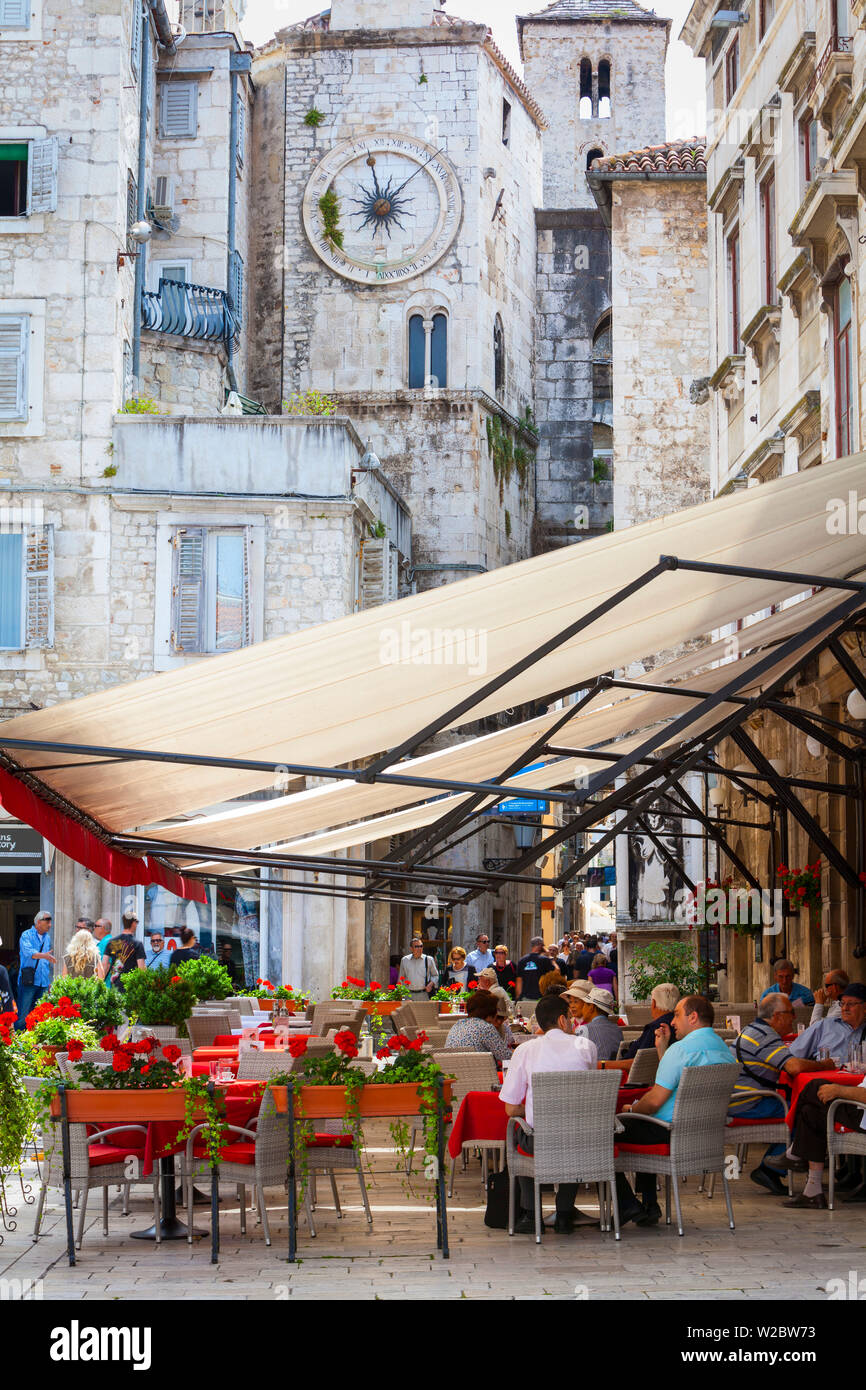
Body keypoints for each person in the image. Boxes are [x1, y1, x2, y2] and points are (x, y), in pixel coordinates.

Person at [615, 995, 734, 1226]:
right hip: (704, 1133)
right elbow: (675, 1080)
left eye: (677, 1015)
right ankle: (649, 1205)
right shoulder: (724, 1049)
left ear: (693, 1017)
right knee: (641, 1120)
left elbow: (655, 1101)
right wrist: (663, 1051)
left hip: (667, 1131)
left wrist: (632, 1107)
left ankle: (628, 1203)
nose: (672, 1022)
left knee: (605, 1131)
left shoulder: (681, 1050)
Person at [500, 993, 598, 1234]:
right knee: (570, 1131)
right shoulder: (587, 1046)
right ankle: (564, 1213)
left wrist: (534, 1108)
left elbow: (511, 1108)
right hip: (583, 1139)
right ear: (563, 1021)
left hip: (540, 1141)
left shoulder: (525, 1051)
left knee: (516, 1126)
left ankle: (531, 1214)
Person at [729, 994, 827, 1195]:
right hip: (746, 1103)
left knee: (799, 1106)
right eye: (791, 1013)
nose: (794, 1017)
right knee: (804, 1112)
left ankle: (790, 1160)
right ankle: (771, 1168)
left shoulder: (755, 1030)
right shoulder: (764, 1036)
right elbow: (794, 1067)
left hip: (738, 1099)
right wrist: (825, 1065)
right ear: (777, 1016)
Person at [788, 981, 866, 1064]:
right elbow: (791, 1056)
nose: (844, 1008)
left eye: (850, 1004)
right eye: (842, 1003)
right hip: (824, 1076)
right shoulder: (825, 1026)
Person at [445, 991, 512, 1065]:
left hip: (452, 1074)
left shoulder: (457, 1025)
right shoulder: (486, 1028)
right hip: (481, 1074)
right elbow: (506, 1057)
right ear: (491, 1011)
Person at [15, 911, 55, 1030]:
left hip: (43, 982)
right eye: (47, 921)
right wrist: (44, 956)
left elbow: (45, 961)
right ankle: (19, 1043)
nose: (50, 925)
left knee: (40, 1015)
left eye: (50, 921)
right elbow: (29, 953)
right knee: (23, 1015)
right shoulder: (26, 935)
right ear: (38, 922)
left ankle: (35, 1043)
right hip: (28, 982)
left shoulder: (47, 938)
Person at [625, 983, 679, 1059]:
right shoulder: (679, 1025)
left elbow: (639, 1061)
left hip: (630, 1069)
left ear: (653, 1003)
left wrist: (604, 1064)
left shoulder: (656, 1028)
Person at [573, 986, 622, 1060]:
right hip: (616, 1071)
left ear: (591, 1007)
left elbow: (577, 1059)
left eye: (585, 1004)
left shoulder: (583, 1029)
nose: (583, 1008)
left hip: (595, 1070)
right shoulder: (617, 1029)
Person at [105, 913, 147, 987]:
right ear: (133, 923)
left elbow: (104, 964)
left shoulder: (111, 942)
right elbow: (142, 969)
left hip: (115, 986)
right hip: (131, 987)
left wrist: (99, 984)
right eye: (137, 922)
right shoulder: (137, 944)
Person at [515, 936, 555, 1001]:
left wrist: (518, 997)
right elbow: (557, 971)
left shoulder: (522, 960)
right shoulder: (545, 960)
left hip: (525, 997)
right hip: (541, 997)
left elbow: (519, 981)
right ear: (540, 946)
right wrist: (549, 956)